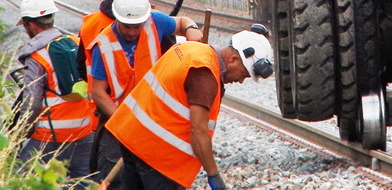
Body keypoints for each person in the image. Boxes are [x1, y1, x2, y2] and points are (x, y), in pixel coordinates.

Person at [105, 29, 274, 190]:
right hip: (157, 156)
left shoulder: (191, 49)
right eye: (243, 74)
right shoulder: (204, 74)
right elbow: (198, 131)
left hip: (133, 139)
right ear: (233, 60)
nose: (241, 81)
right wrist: (213, 174)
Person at [89, 0, 204, 187]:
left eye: (137, 26)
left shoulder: (154, 22)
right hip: (119, 123)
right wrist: (124, 123)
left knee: (156, 177)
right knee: (118, 179)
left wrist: (191, 29)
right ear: (117, 18)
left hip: (154, 120)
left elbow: (182, 22)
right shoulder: (103, 45)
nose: (132, 32)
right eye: (127, 26)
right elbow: (97, 92)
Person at [16, 0, 95, 187]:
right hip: (84, 130)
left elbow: (31, 103)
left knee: (19, 175)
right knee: (83, 182)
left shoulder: (36, 56)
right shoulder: (75, 42)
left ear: (30, 24)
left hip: (50, 136)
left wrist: (21, 132)